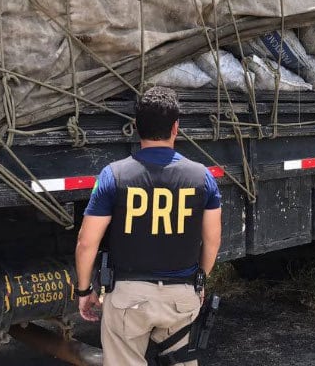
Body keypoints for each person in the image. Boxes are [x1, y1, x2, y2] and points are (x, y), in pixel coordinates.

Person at [75, 86, 222, 366]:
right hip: (181, 298)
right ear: (176, 127)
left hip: (128, 299)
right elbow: (213, 240)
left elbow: (86, 242)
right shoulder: (203, 178)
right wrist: (199, 281)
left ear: (135, 127)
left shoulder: (113, 176)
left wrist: (84, 291)